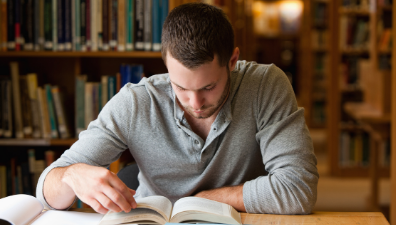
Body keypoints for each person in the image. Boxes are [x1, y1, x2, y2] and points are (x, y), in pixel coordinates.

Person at [37, 3, 319, 215]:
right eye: (181, 88)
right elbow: (46, 192)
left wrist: (201, 201)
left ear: (232, 61)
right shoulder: (136, 102)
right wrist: (71, 175)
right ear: (166, 65)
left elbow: (298, 189)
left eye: (208, 87)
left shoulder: (265, 85)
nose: (195, 104)